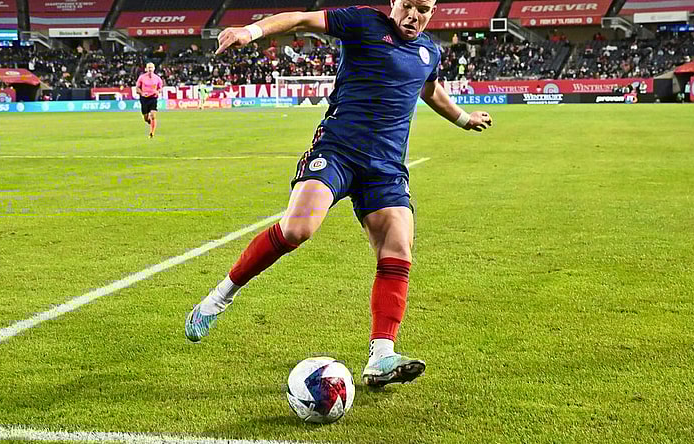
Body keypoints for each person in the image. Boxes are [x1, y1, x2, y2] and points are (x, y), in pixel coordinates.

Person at [184, 0, 493, 388]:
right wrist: (251, 31)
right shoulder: (362, 22)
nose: (415, 16)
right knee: (297, 229)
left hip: (385, 168)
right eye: (408, 5)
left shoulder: (429, 50)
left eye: (425, 9)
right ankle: (217, 300)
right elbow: (300, 19)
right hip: (337, 151)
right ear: (394, 3)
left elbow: (429, 90)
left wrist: (464, 119)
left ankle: (382, 356)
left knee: (398, 246)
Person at [136, 62, 162, 138]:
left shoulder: (157, 78)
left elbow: (160, 88)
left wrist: (158, 92)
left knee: (153, 115)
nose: (150, 69)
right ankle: (149, 121)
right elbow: (137, 88)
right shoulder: (142, 77)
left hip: (153, 98)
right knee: (146, 117)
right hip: (144, 98)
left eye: (151, 67)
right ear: (146, 69)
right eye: (148, 67)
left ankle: (152, 133)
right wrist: (142, 93)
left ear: (154, 69)